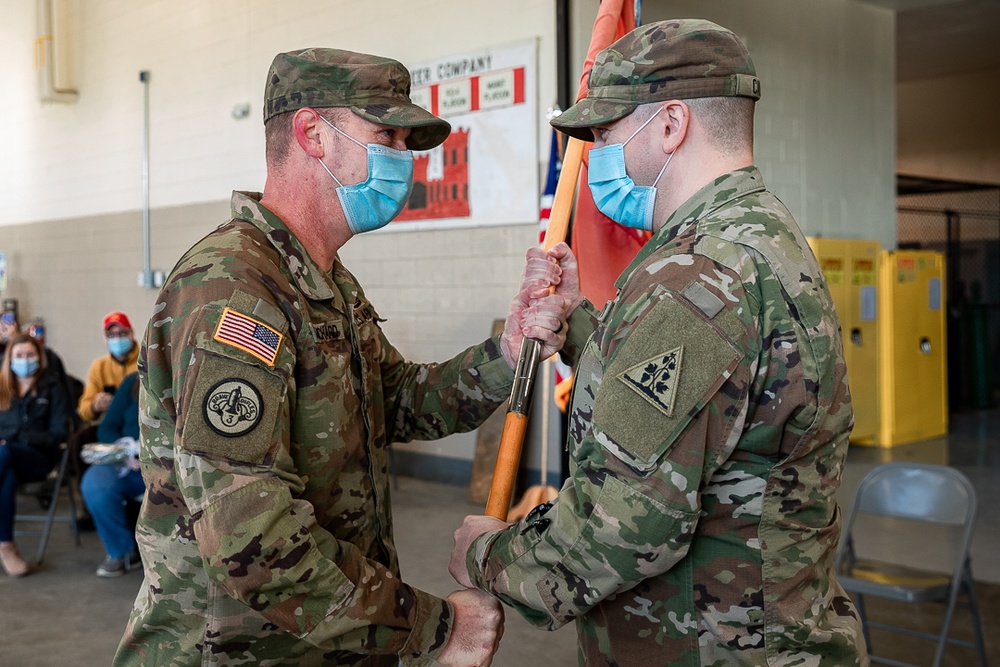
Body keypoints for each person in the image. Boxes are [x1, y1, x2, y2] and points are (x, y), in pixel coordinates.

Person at [115, 48, 567, 667]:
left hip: (330, 643)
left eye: (408, 141)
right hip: (238, 651)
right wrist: (435, 628)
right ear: (312, 134)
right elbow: (255, 542)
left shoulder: (326, 282)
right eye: (386, 135)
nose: (404, 159)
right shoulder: (234, 289)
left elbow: (399, 401)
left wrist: (509, 349)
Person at [450, 19, 867, 666]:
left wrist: (487, 552)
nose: (595, 154)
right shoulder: (754, 236)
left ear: (671, 125)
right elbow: (695, 405)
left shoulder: (696, 275)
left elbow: (618, 528)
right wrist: (575, 325)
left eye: (608, 134)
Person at [0, 332, 71, 577]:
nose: (24, 359)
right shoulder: (2, 388)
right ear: (9, 358)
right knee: (5, 478)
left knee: (4, 451)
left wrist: (17, 437)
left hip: (39, 459)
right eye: (19, 355)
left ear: (39, 358)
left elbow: (59, 435)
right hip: (6, 461)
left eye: (29, 354)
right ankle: (6, 547)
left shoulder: (53, 388)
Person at [81, 372, 144, 578]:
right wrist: (124, 452)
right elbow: (107, 427)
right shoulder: (133, 381)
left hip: (172, 466)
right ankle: (122, 551)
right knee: (95, 483)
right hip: (130, 463)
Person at [77, 311, 139, 424]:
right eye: (111, 335)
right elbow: (83, 410)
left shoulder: (146, 361)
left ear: (132, 333)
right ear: (105, 338)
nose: (117, 339)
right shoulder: (99, 366)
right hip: (113, 427)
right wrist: (95, 406)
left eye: (122, 333)